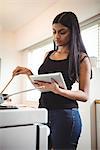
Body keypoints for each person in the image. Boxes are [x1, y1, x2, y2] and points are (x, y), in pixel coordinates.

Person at [13, 11, 92, 150]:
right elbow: (42, 87)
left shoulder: (81, 58)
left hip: (65, 115)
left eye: (62, 32)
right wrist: (29, 73)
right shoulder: (48, 54)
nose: (56, 36)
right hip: (43, 111)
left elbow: (84, 95)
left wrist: (58, 90)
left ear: (73, 32)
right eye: (54, 31)